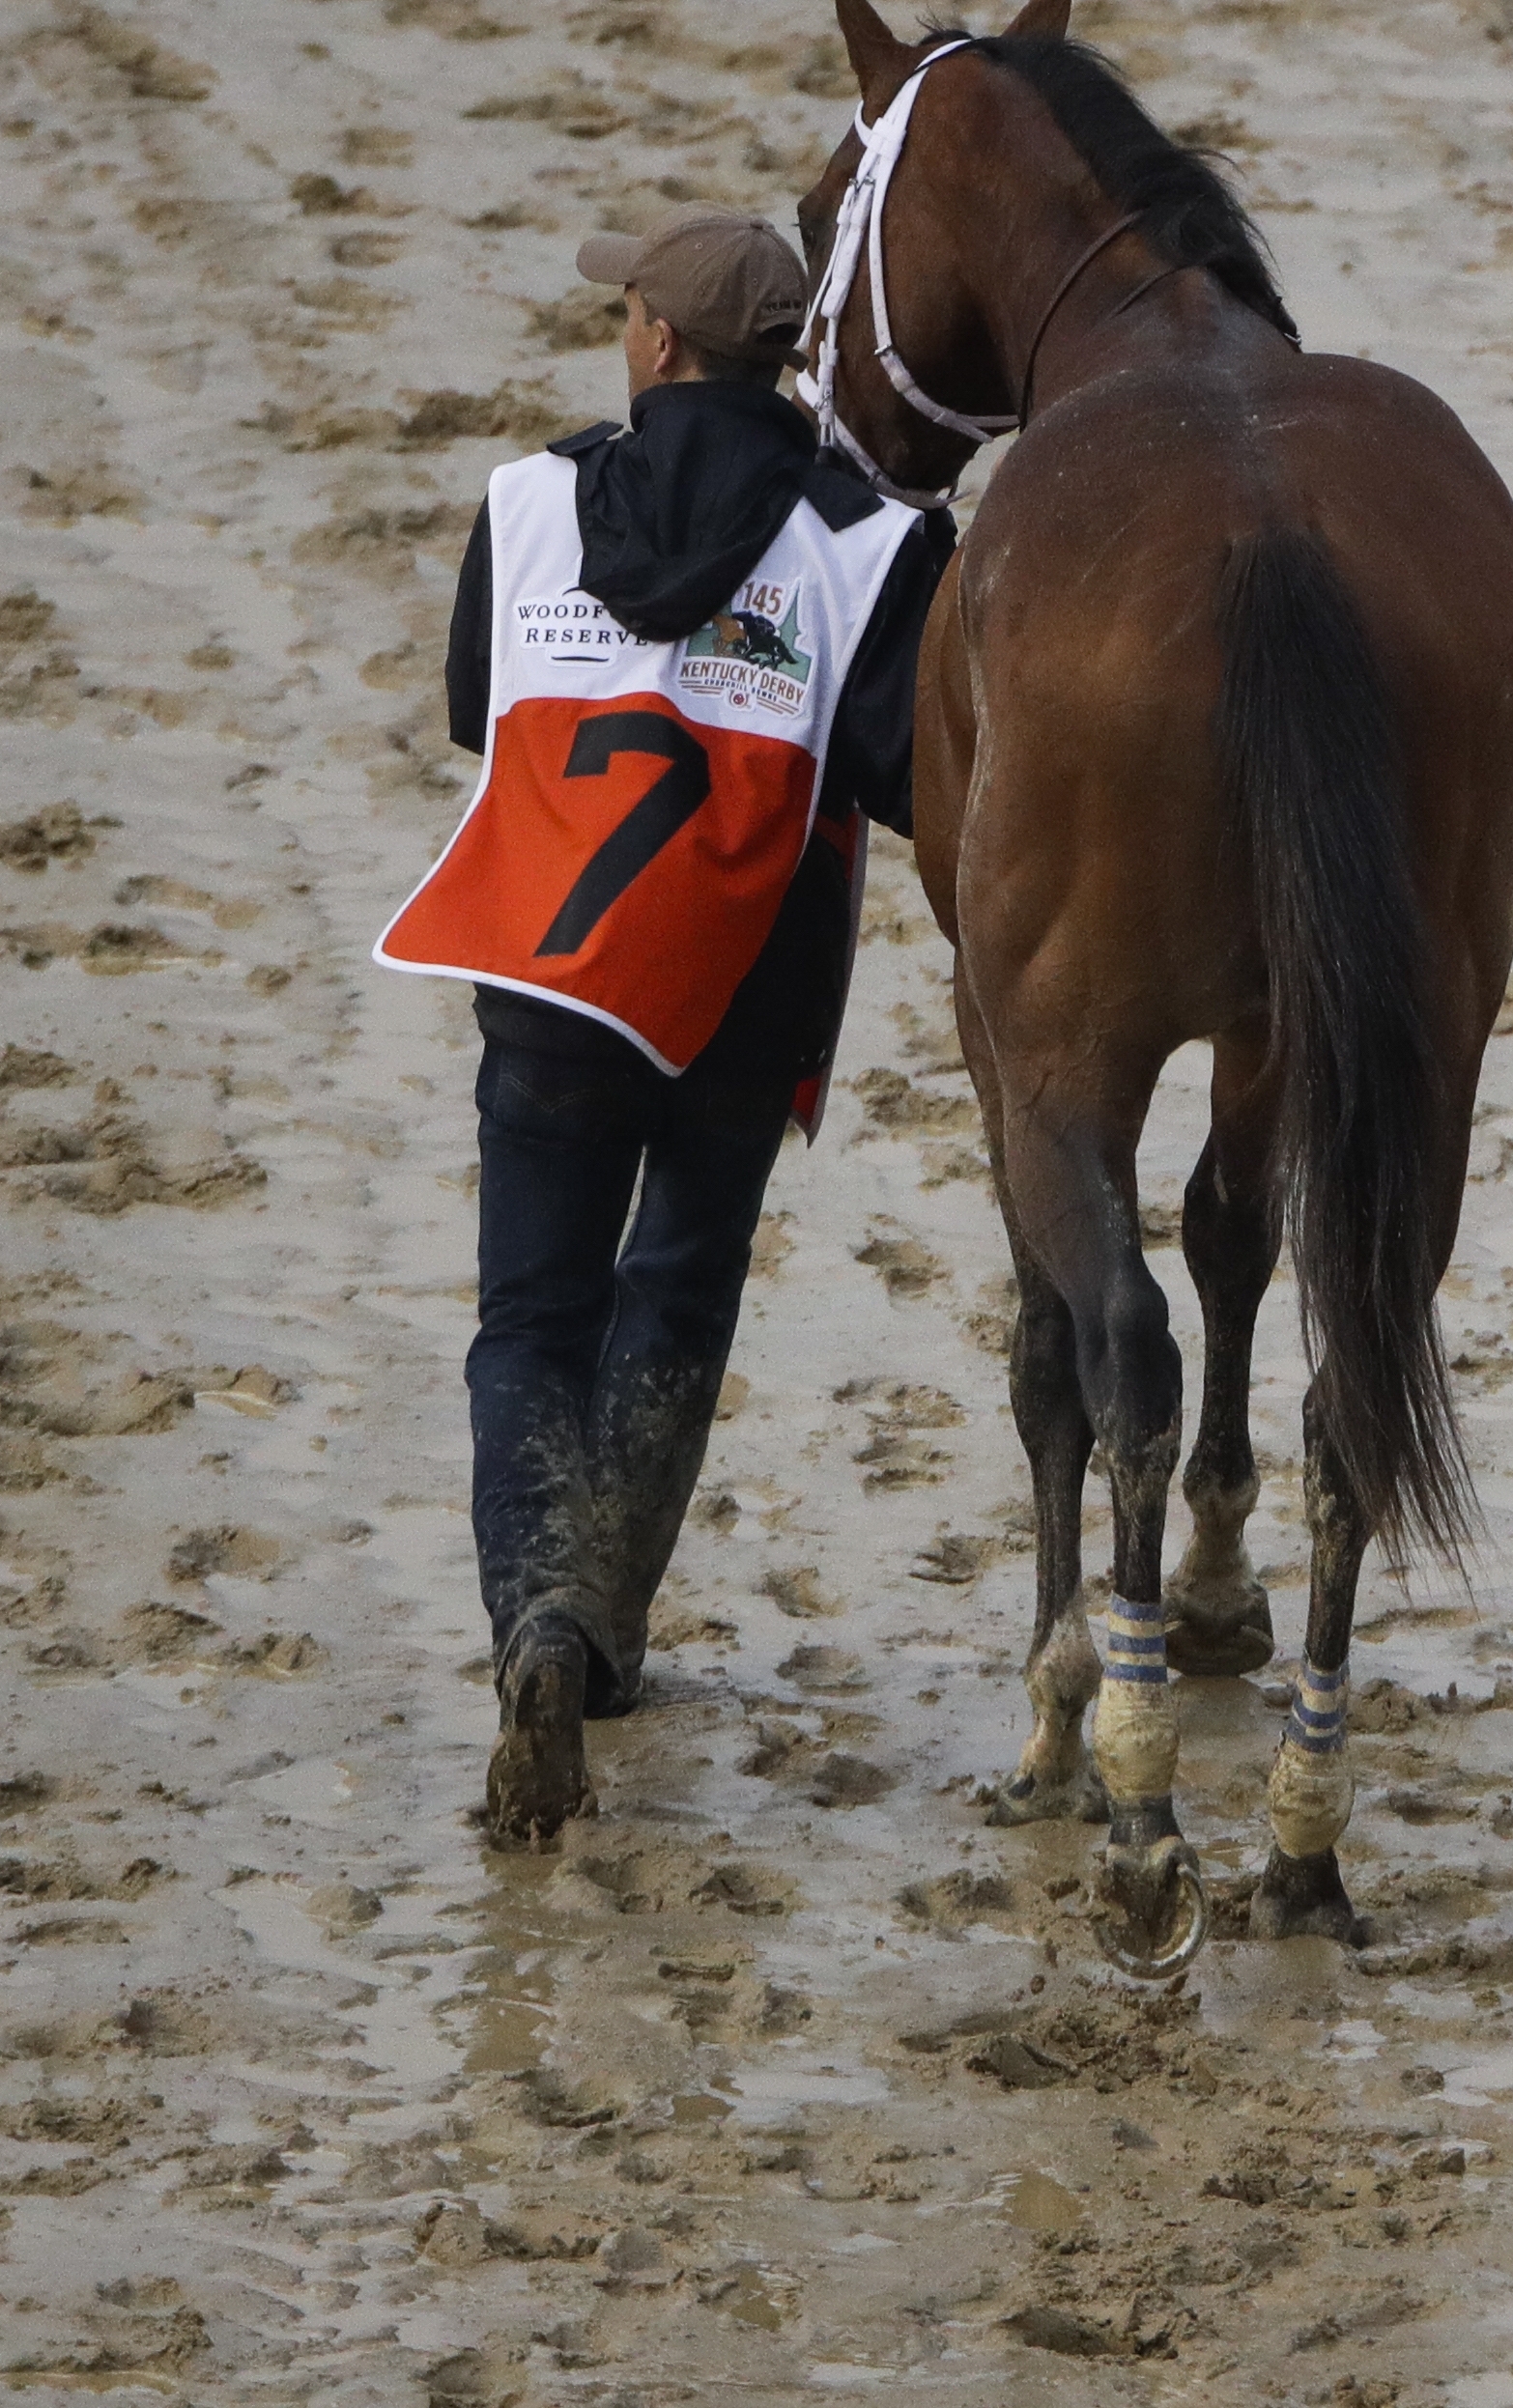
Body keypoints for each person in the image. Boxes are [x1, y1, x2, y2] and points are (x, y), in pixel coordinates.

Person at [372, 212, 950, 1845]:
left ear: (654, 344)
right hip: (739, 995)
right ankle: (606, 1631)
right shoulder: (870, 541)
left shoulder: (532, 499)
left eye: (623, 307)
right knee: (674, 1294)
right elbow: (908, 776)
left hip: (550, 989)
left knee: (527, 1318)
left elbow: (479, 708)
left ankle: (542, 1626)